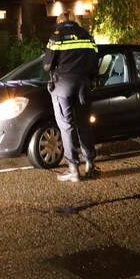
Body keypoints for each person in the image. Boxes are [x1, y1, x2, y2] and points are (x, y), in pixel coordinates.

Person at [43, 12, 99, 182]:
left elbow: (47, 65)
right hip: (83, 85)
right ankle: (90, 164)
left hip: (63, 86)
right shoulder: (87, 36)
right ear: (74, 21)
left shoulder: (56, 37)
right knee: (84, 124)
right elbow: (95, 61)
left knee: (66, 126)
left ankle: (73, 169)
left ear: (59, 22)